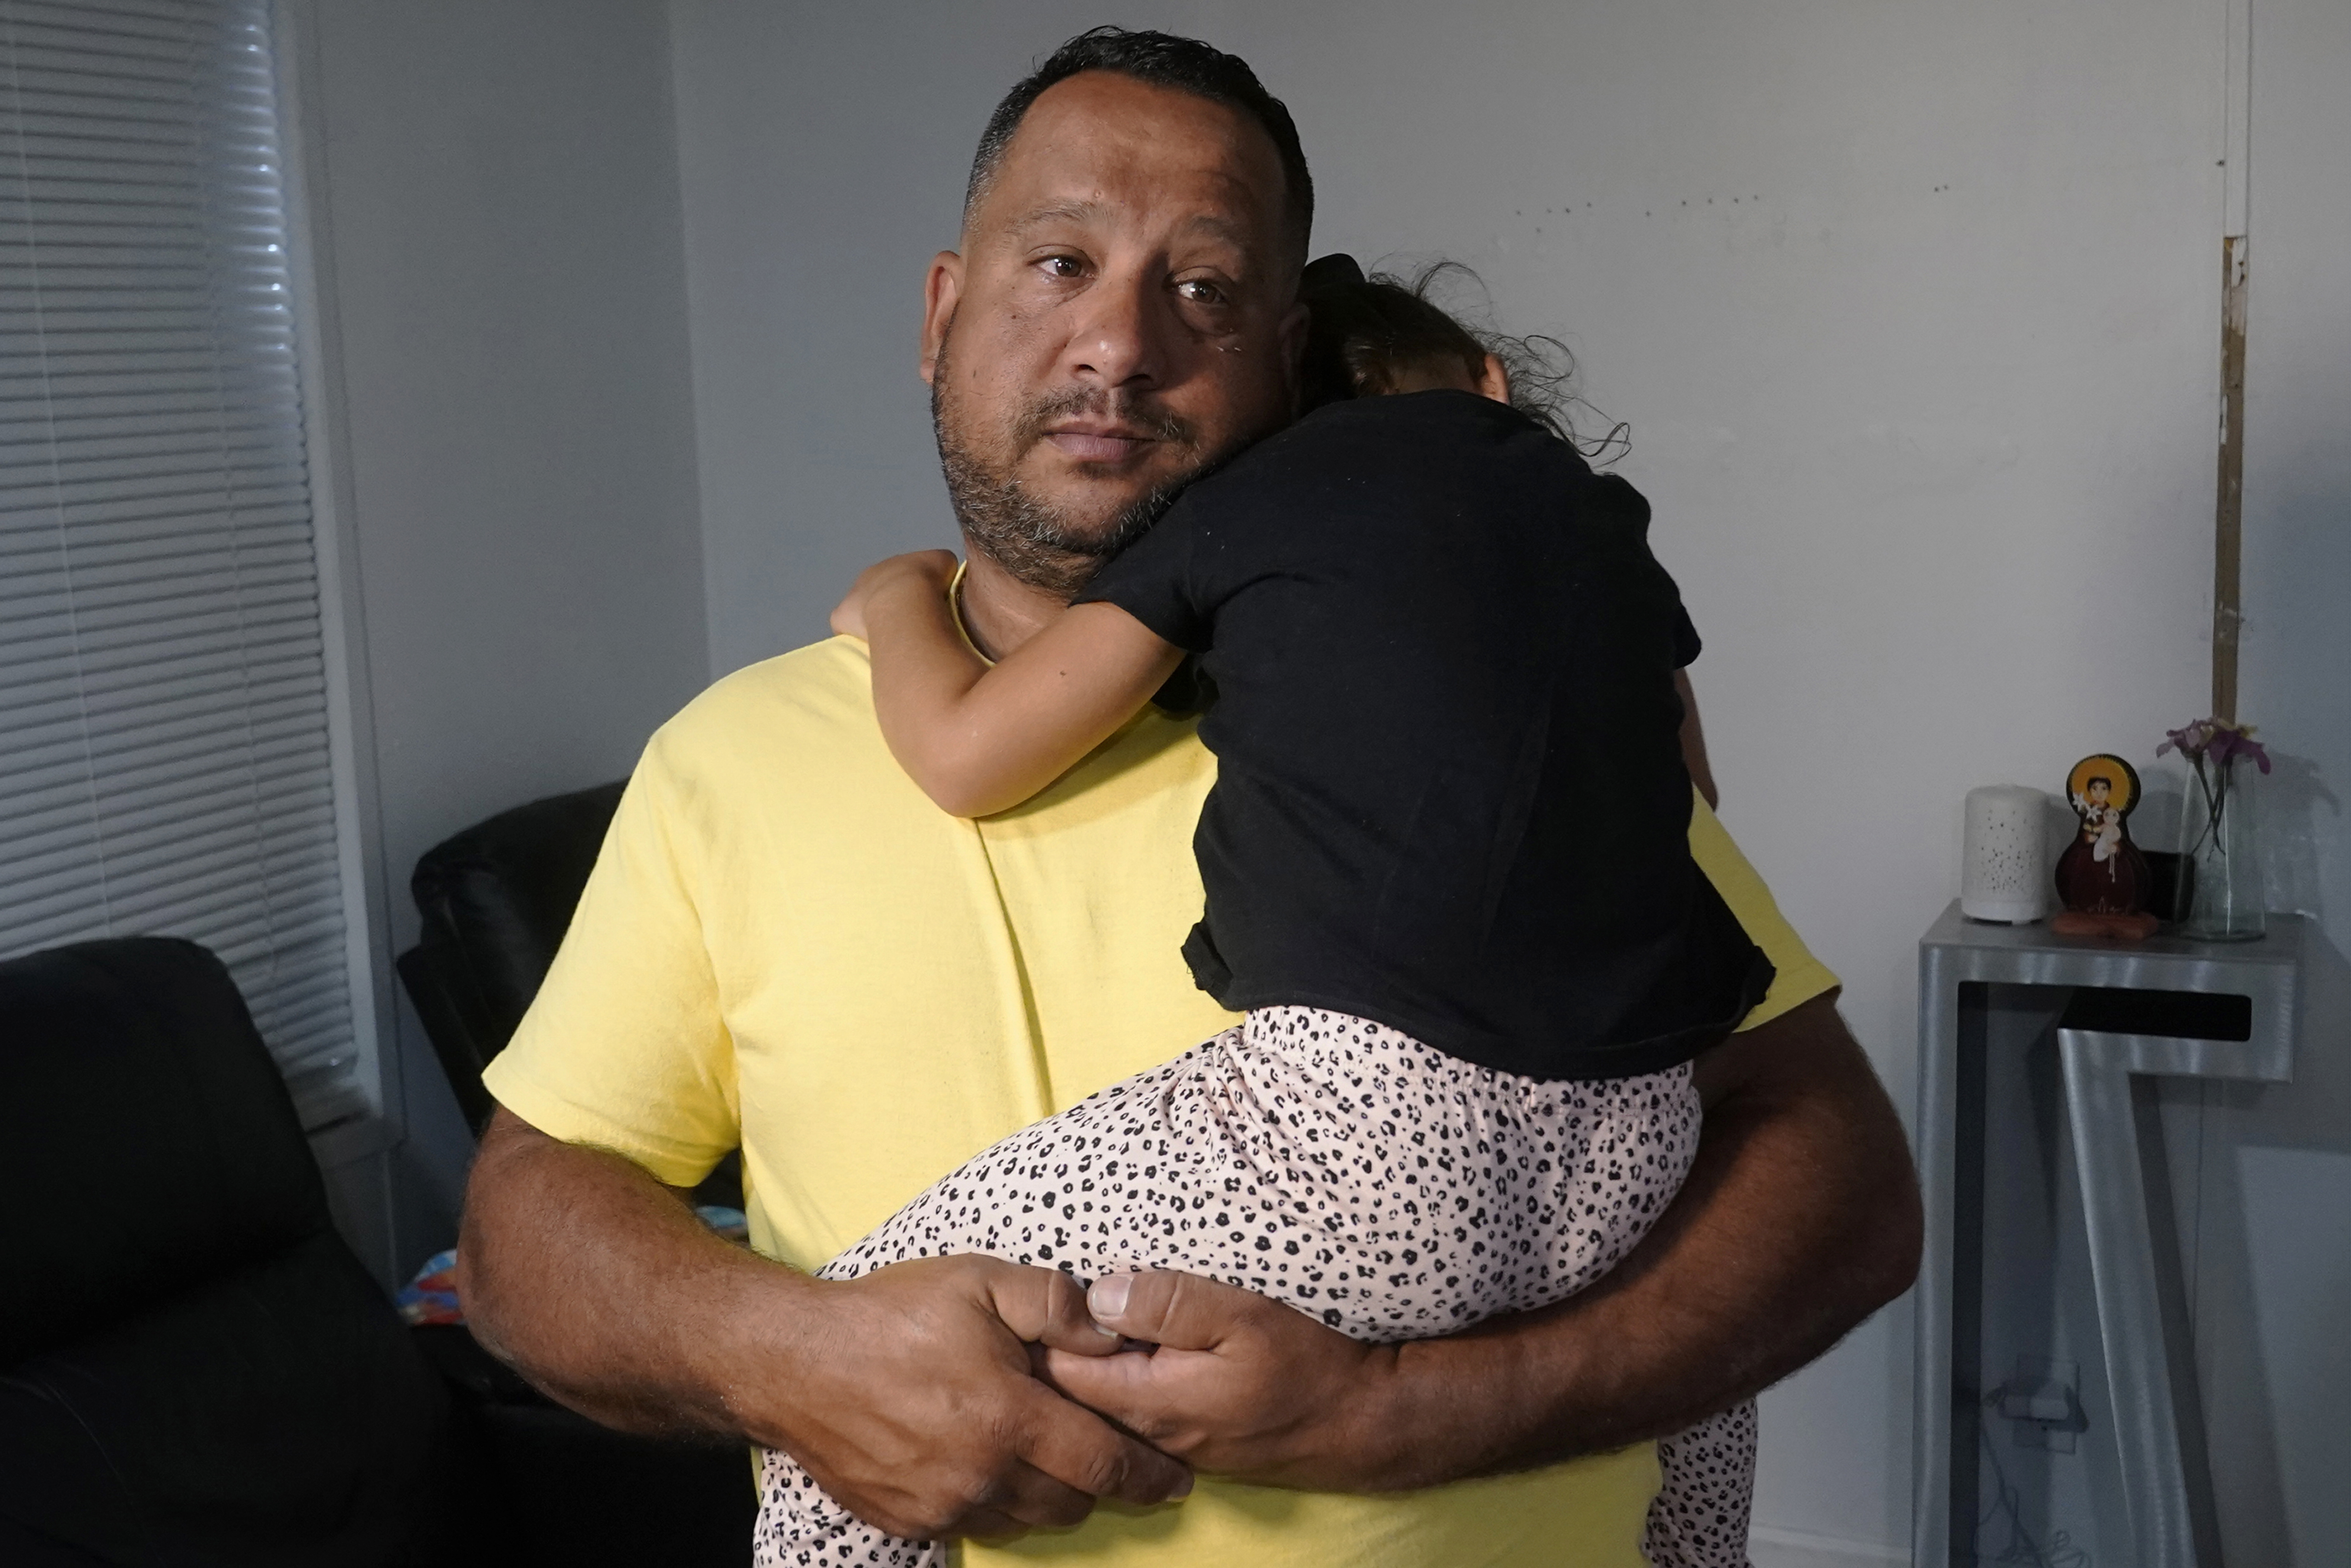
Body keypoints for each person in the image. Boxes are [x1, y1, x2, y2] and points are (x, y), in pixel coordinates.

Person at [457, 27, 1921, 1568]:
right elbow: (524, 1233)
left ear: (1291, 357)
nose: (1118, 343)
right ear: (943, 314)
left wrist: (1406, 1414)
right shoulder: (726, 762)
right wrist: (800, 1357)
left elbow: (1837, 1184)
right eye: (1059, 262)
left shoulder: (1486, 697)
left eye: (1203, 287)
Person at [754, 262, 1774, 1568]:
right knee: (1699, 1383)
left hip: (1375, 1153)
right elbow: (1687, 793)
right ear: (1491, 385)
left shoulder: (1253, 502)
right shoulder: (1600, 519)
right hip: (1642, 1156)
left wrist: (895, 597)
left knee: (849, 1360)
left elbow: (967, 757)